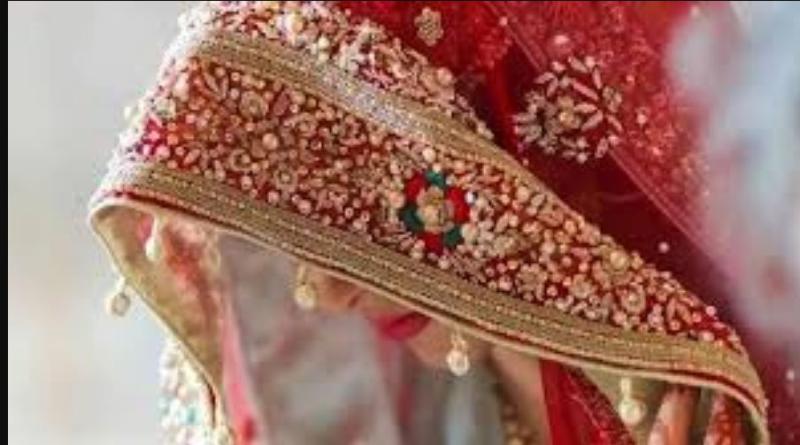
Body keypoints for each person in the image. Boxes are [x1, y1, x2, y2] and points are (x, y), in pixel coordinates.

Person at [89, 2, 797, 443]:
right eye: (299, 216)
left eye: (363, 197)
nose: (324, 292)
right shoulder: (418, 408)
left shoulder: (723, 404)